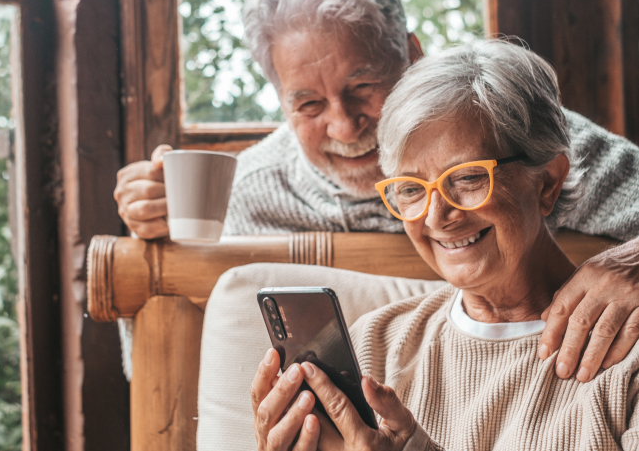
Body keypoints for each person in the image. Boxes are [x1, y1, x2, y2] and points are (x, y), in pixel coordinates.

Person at [113, 0, 639, 382]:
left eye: (363, 87)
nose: (344, 126)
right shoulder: (248, 193)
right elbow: (149, 366)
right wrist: (156, 242)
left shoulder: (514, 138)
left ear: (412, 56)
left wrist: (629, 262)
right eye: (309, 106)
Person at [250, 40, 639, 450]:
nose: (436, 216)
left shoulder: (626, 347)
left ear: (547, 182)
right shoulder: (372, 345)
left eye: (468, 177)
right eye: (411, 189)